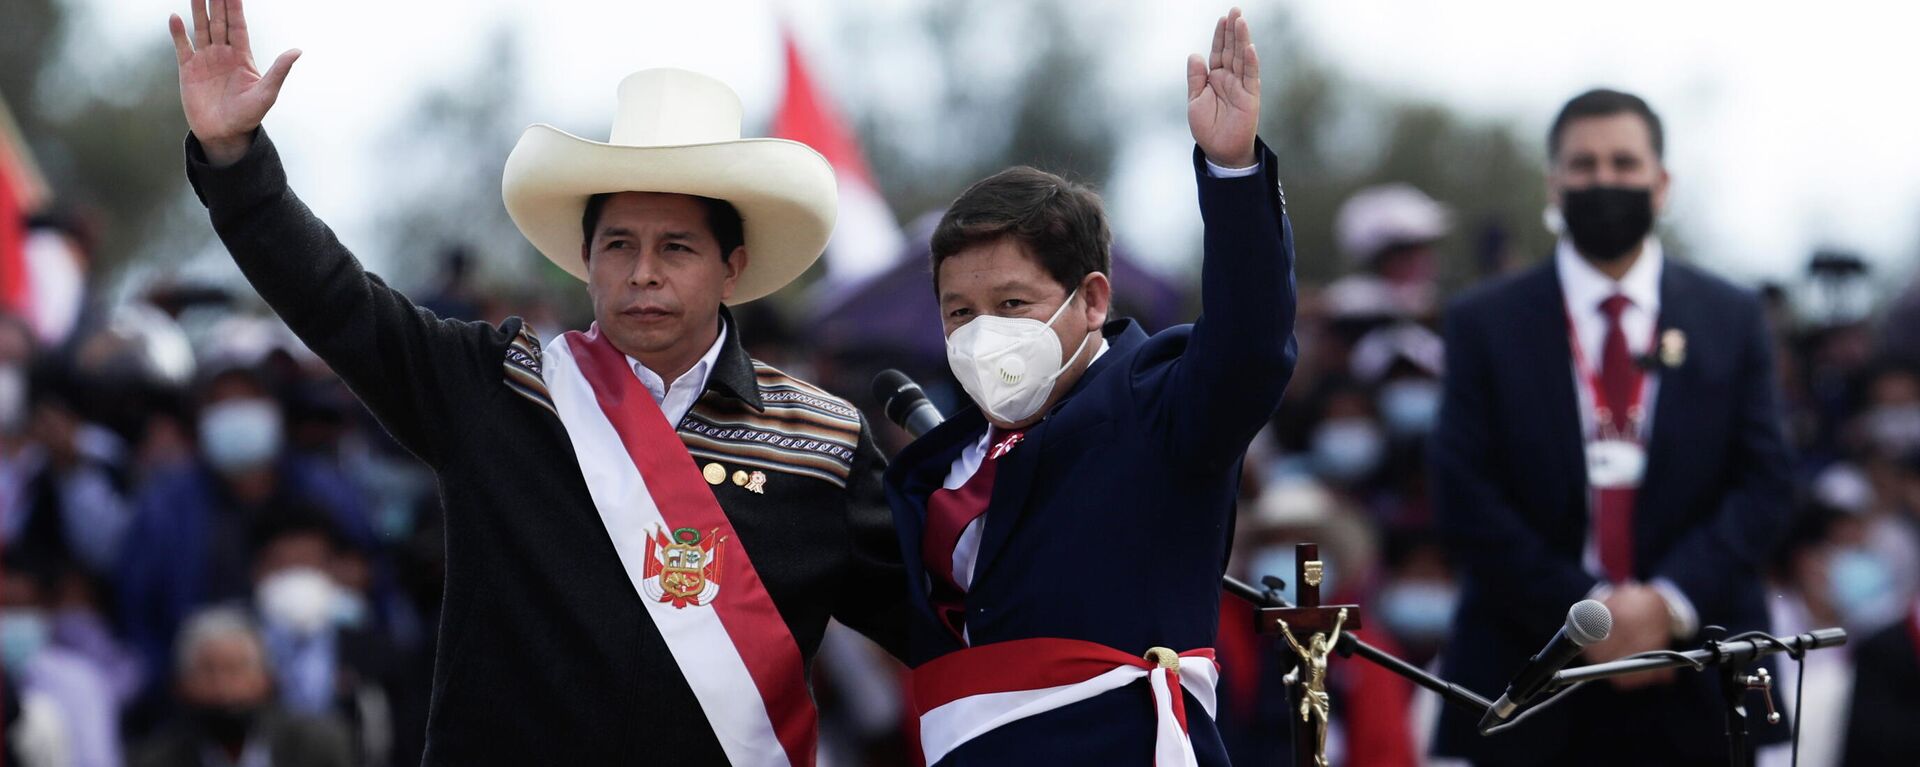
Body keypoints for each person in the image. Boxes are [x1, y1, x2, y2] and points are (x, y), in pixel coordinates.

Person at [165, 1, 906, 763]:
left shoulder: (822, 440)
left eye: (677, 246)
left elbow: (956, 620)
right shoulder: (498, 389)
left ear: (733, 265)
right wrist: (236, 161)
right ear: (586, 259)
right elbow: (337, 302)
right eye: (618, 244)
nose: (642, 271)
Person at [882, 9, 1296, 765]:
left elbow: (1251, 350)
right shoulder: (940, 467)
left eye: (1012, 305)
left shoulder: (1159, 410)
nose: (982, 332)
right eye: (959, 312)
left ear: (1093, 299)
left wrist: (1232, 173)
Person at [1429, 88, 1793, 764]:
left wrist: (1667, 604)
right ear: (1554, 182)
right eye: (1584, 165)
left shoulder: (1731, 316)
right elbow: (1463, 493)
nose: (1604, 181)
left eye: (1624, 163)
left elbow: (1765, 482)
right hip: (1526, 673)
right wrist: (1587, 617)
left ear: (1661, 182)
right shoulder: (1484, 321)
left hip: (1702, 676)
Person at [130, 608, 353, 767]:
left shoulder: (317, 745)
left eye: (236, 670)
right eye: (208, 671)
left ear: (267, 679)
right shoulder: (155, 758)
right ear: (182, 685)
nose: (223, 686)